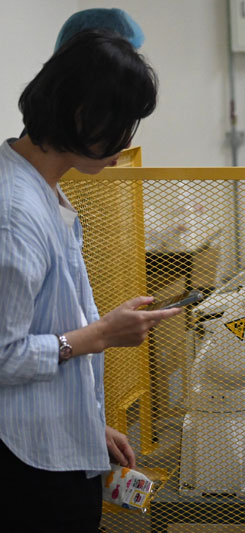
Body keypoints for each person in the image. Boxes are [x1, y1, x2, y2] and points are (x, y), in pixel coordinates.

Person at [0, 30, 180, 532]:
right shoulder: (15, 213)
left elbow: (42, 325)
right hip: (26, 465)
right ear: (83, 116)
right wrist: (101, 334)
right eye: (122, 126)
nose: (125, 145)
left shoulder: (44, 191)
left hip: (51, 442)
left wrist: (86, 425)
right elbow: (4, 354)